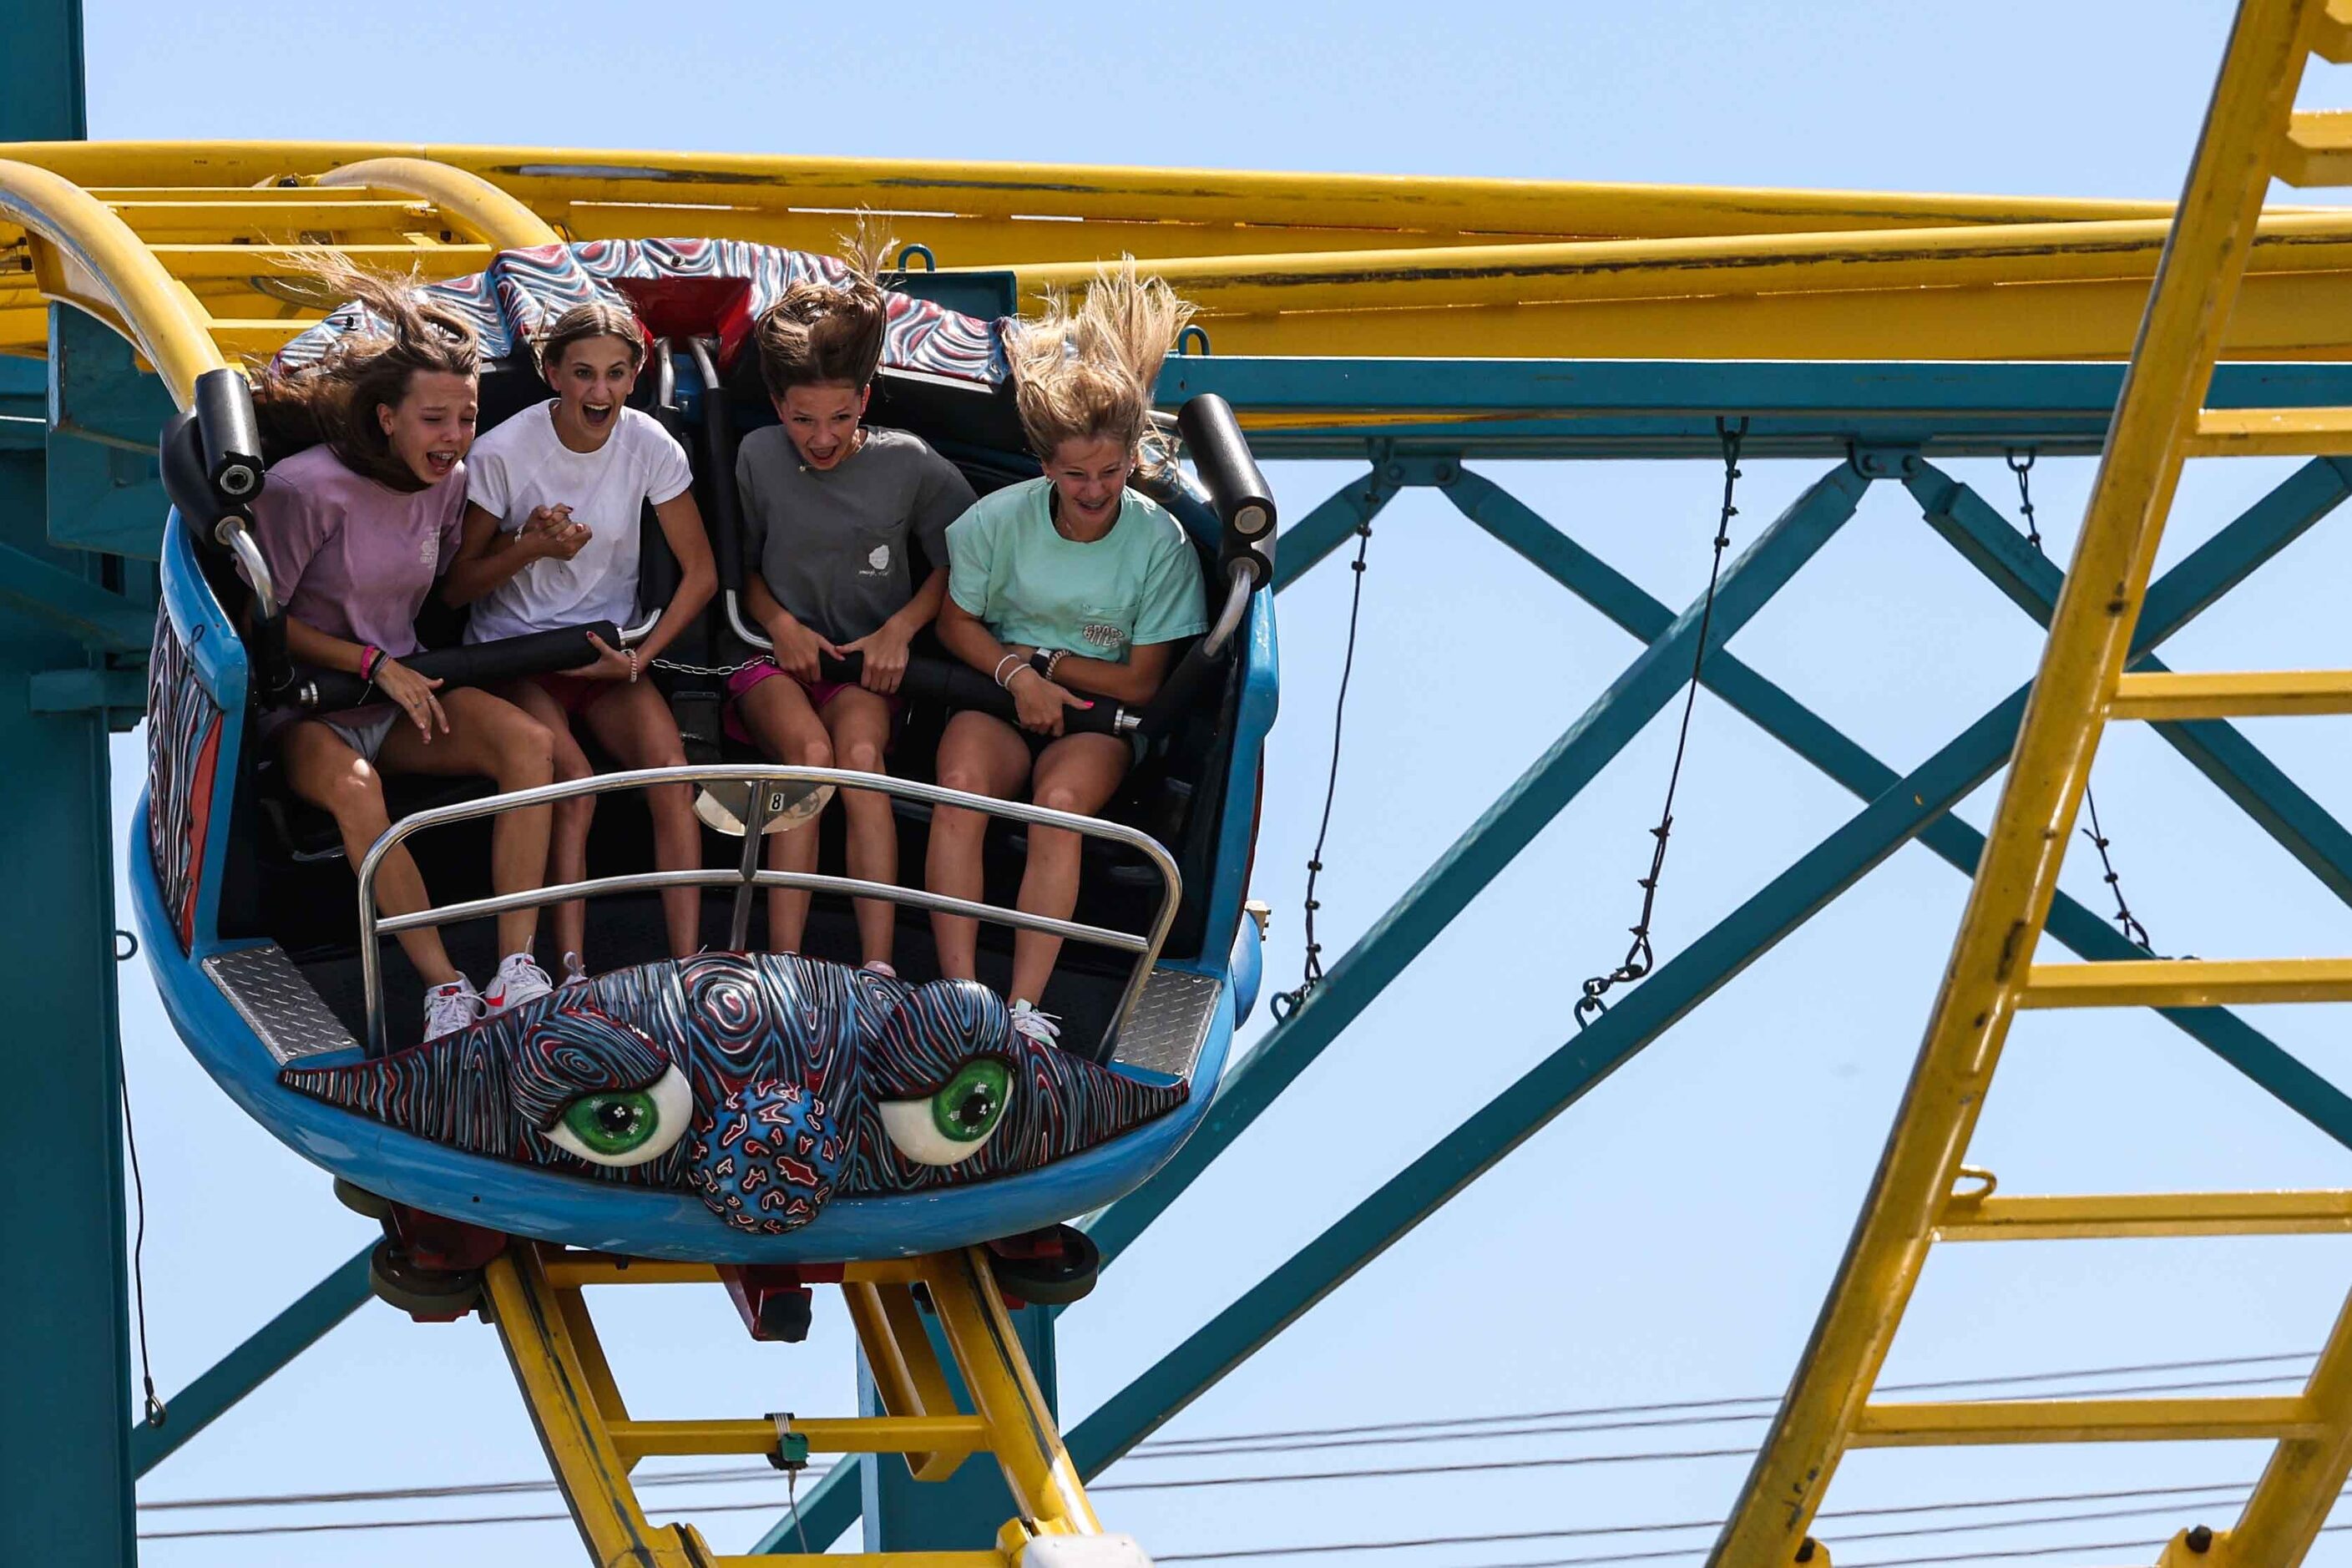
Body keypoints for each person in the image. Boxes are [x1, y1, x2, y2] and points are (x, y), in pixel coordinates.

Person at [248, 262, 557, 1044]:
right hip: (310, 708)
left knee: (530, 746)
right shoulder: (305, 487)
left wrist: (529, 550)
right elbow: (265, 622)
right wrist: (367, 663)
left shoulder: (448, 486)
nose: (454, 440)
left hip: (402, 694)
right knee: (356, 793)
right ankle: (443, 986)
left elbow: (449, 593)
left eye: (466, 419)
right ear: (386, 418)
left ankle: (516, 969)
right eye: (434, 421)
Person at [926, 264, 1207, 1044]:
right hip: (997, 694)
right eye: (1075, 474)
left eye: (1110, 473)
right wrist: (1013, 674)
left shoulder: (1159, 542)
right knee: (960, 790)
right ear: (1045, 465)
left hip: (1097, 719)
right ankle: (959, 995)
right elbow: (957, 624)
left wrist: (1040, 665)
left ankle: (1023, 1007)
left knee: (1059, 810)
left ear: (1130, 460)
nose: (1093, 491)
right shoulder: (997, 521)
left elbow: (1143, 679)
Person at [440, 299, 717, 981]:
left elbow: (702, 574)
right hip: (519, 657)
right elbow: (456, 588)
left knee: (671, 777)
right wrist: (530, 547)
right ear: (552, 373)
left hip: (605, 653)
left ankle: (689, 964)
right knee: (578, 785)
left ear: (634, 375)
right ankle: (571, 967)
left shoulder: (651, 444)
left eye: (617, 375)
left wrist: (639, 659)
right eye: (585, 374)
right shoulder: (503, 452)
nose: (601, 393)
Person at [728, 240, 976, 974]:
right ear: (779, 408)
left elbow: (957, 561)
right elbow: (737, 570)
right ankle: (782, 960)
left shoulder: (909, 463)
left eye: (839, 417)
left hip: (865, 671)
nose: (823, 438)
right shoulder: (756, 457)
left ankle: (876, 967)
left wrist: (900, 629)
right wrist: (780, 625)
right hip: (772, 660)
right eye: (803, 420)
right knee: (808, 761)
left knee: (860, 761)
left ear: (864, 400)